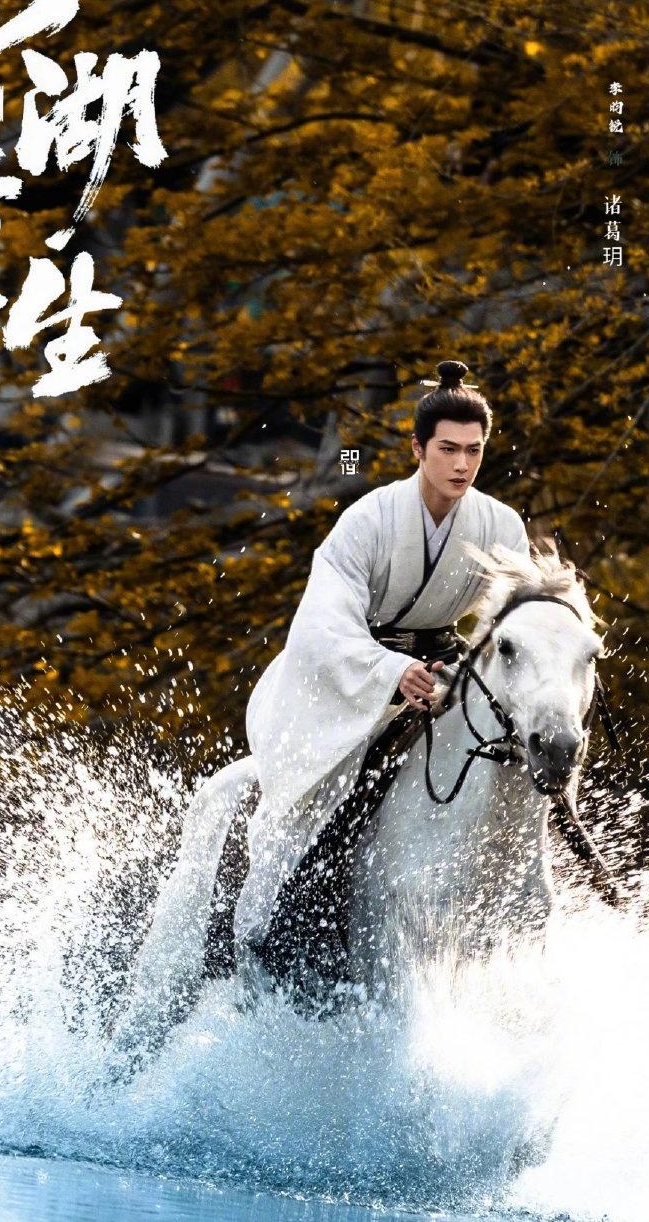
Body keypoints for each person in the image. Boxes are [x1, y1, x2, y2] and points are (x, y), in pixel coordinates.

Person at [235, 359, 531, 983]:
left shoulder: (501, 525)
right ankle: (283, 924)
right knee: (326, 794)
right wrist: (388, 671)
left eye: (473, 451)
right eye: (447, 449)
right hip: (353, 675)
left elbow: (514, 623)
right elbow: (323, 622)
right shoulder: (368, 518)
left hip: (442, 669)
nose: (461, 465)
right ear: (418, 448)